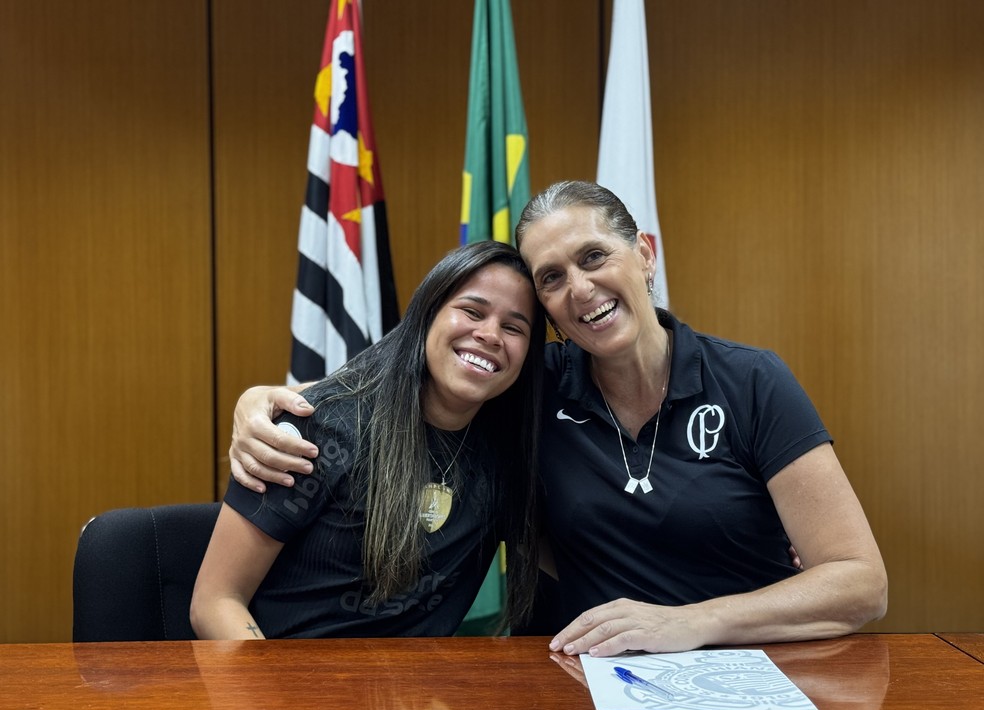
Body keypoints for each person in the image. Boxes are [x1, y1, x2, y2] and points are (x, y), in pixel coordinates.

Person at [227, 181, 888, 656]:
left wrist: (688, 623)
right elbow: (403, 382)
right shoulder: (530, 387)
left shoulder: (751, 381)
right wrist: (261, 402)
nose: (579, 289)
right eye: (551, 278)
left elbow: (860, 585)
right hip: (584, 678)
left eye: (594, 257)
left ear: (646, 254)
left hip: (752, 671)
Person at [190, 241, 544, 639]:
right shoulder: (320, 427)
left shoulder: (510, 451)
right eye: (471, 311)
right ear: (428, 315)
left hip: (418, 696)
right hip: (290, 688)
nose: (490, 335)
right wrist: (279, 701)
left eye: (513, 327)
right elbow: (216, 602)